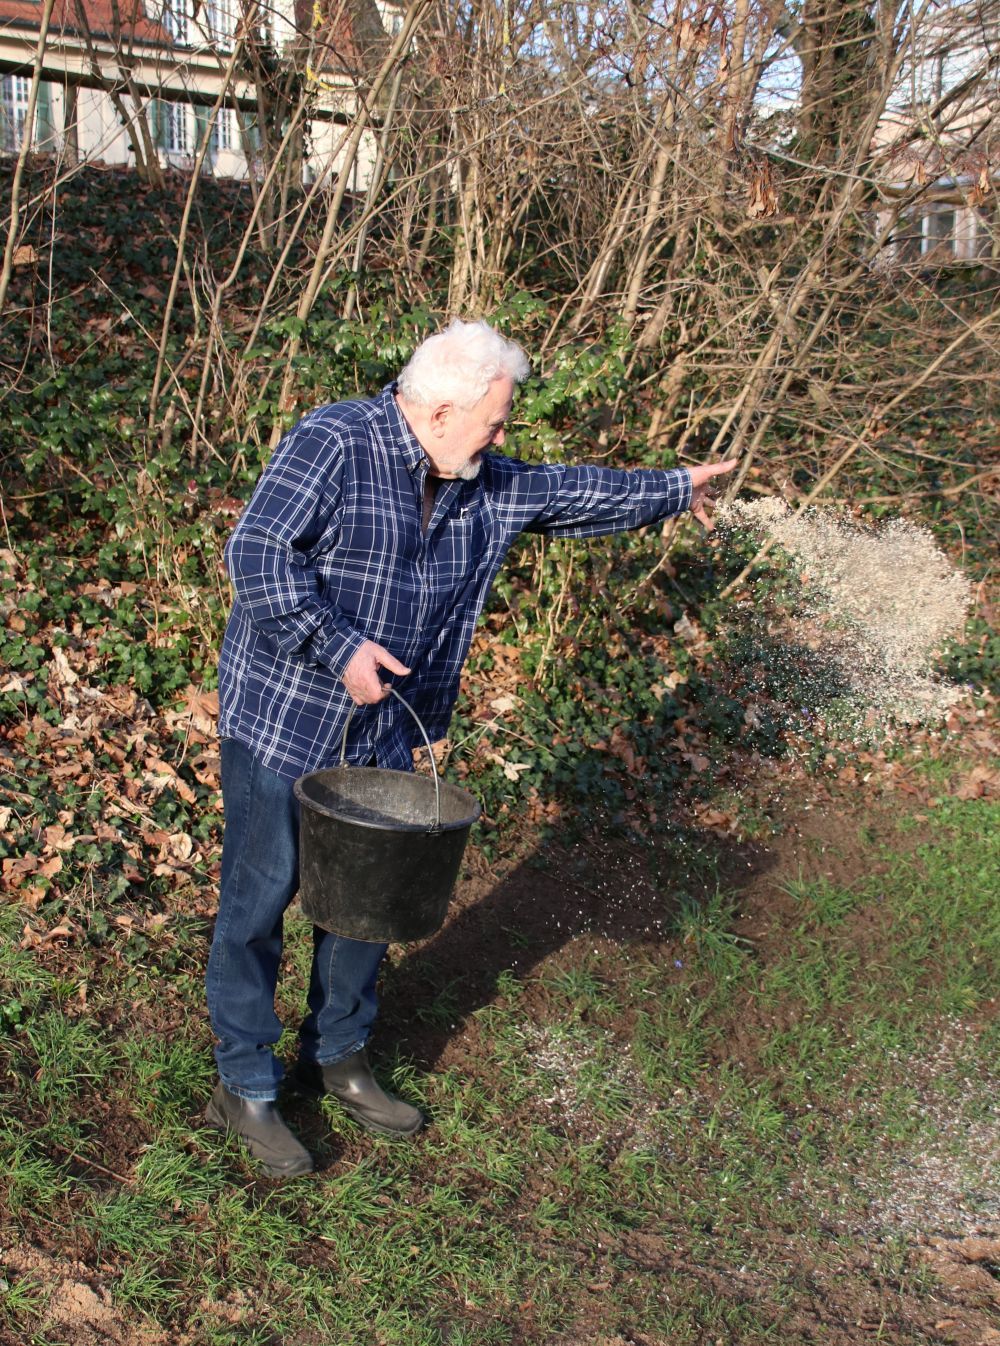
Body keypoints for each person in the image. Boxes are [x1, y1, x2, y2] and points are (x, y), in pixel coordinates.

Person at [204, 318, 737, 1177]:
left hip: (384, 728)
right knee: (259, 901)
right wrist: (337, 646)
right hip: (284, 715)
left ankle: (336, 1057)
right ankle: (244, 1081)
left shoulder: (475, 476)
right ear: (441, 408)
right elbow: (258, 552)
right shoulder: (337, 439)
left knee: (368, 900)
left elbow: (564, 493)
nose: (501, 436)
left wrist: (675, 490)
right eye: (493, 421)